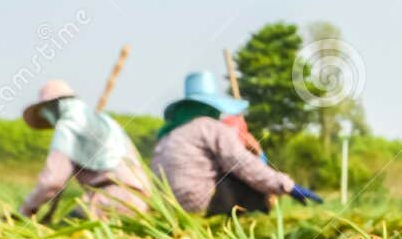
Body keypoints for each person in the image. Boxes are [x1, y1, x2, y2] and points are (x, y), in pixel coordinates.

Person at [151, 71, 322, 217]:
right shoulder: (209, 127)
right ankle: (247, 225)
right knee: (251, 184)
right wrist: (287, 186)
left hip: (169, 207)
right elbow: (242, 164)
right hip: (199, 202)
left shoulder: (169, 135)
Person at [18, 79, 150, 220]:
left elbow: (52, 181)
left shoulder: (68, 125)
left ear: (53, 107)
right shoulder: (107, 121)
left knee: (63, 230)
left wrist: (26, 210)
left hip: (110, 201)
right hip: (141, 201)